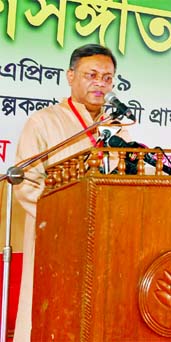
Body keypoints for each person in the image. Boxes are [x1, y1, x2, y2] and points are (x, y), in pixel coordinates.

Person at [12, 43, 127, 340]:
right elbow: (26, 183)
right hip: (56, 235)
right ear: (71, 76)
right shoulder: (44, 121)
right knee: (50, 311)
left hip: (105, 236)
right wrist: (65, 219)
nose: (100, 83)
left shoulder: (118, 127)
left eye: (107, 77)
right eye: (92, 75)